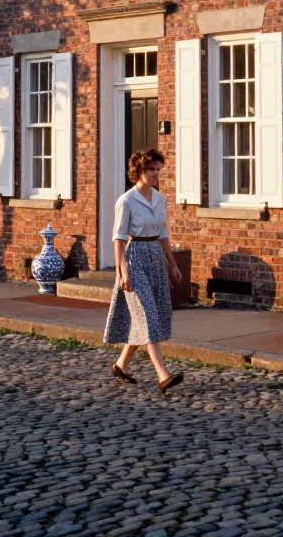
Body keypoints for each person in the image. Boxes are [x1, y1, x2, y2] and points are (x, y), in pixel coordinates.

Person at [102, 147, 184, 392]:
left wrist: (172, 263)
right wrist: (122, 271)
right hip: (134, 257)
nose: (155, 173)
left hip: (156, 258)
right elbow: (118, 237)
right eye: (151, 169)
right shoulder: (126, 200)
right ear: (139, 170)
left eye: (158, 169)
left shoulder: (160, 199)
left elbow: (164, 234)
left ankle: (122, 364)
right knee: (146, 315)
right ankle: (163, 375)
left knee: (148, 315)